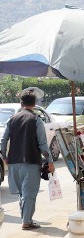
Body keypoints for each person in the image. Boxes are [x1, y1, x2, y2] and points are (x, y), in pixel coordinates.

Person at [0, 93, 54, 230]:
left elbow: (3, 140)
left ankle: (25, 218)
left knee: (21, 193)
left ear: (21, 103)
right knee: (29, 193)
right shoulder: (36, 120)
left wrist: (4, 157)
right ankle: (27, 222)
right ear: (34, 104)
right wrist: (50, 161)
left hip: (13, 162)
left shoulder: (11, 119)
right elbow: (43, 144)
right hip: (31, 161)